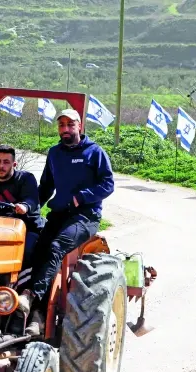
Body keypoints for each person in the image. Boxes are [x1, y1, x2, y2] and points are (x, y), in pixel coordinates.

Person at [19, 108, 115, 336]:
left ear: (79, 126)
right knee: (37, 250)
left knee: (56, 247)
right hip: (59, 214)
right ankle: (35, 317)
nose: (65, 129)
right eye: (61, 125)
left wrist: (80, 198)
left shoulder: (94, 152)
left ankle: (31, 298)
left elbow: (108, 184)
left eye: (70, 125)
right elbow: (45, 188)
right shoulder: (54, 154)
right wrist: (27, 207)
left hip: (85, 217)